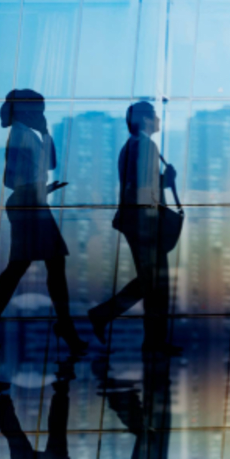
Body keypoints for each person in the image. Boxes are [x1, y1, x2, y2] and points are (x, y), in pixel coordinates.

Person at [0, 89, 85, 354]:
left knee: (27, 265)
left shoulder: (23, 133)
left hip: (30, 200)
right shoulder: (21, 134)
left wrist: (40, 188)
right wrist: (46, 132)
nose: (42, 114)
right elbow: (43, 165)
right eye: (39, 110)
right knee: (39, 264)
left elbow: (41, 167)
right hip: (28, 203)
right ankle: (64, 326)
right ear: (27, 111)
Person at [89, 101, 179, 354]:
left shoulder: (130, 146)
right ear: (146, 119)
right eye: (156, 115)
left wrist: (163, 181)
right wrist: (165, 185)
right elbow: (143, 190)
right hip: (144, 222)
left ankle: (108, 317)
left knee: (150, 281)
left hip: (136, 220)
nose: (159, 119)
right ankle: (152, 341)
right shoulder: (147, 146)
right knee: (156, 282)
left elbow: (140, 184)